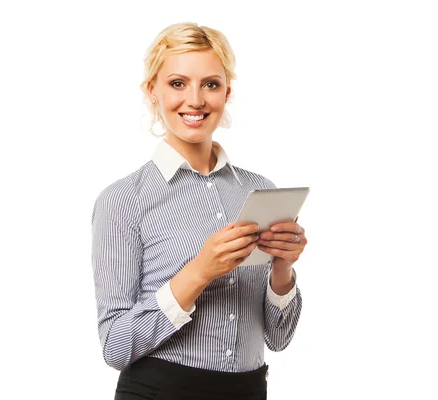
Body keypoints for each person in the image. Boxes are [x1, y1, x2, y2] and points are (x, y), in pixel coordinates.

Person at [91, 22, 308, 400]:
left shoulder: (261, 191)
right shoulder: (122, 200)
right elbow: (114, 346)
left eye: (210, 84)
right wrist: (199, 271)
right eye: (177, 83)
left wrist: (282, 269)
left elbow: (279, 337)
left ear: (227, 92)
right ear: (152, 91)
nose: (195, 100)